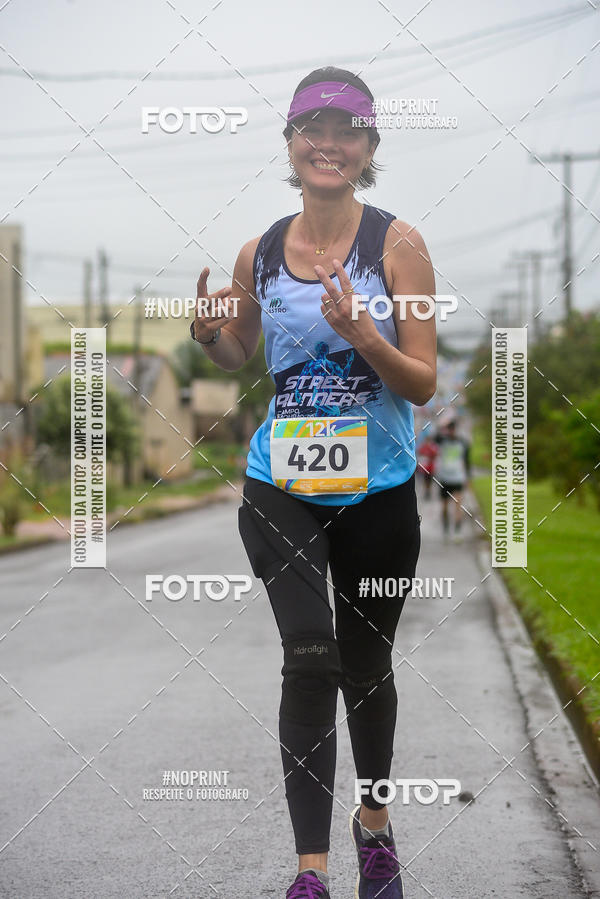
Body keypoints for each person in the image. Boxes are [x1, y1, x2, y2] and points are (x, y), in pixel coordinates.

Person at [190, 66, 436, 899]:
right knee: (311, 657)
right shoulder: (257, 252)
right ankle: (311, 872)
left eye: (348, 131)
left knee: (366, 664)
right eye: (313, 129)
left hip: (379, 490)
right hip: (280, 484)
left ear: (368, 148)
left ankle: (373, 826)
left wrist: (365, 335)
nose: (328, 143)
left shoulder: (398, 245)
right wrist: (209, 336)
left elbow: (422, 381)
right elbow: (238, 353)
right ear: (291, 144)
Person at [434, 417, 472, 541]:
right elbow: (435, 437)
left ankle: (457, 531)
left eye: (453, 430)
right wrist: (442, 426)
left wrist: (468, 478)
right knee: (444, 507)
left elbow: (467, 462)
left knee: (458, 506)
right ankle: (446, 529)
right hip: (444, 478)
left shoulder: (463, 443)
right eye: (449, 430)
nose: (451, 432)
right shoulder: (442, 440)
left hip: (458, 478)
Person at [416, 435, 438, 500]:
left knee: (430, 480)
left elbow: (435, 455)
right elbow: (419, 453)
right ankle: (427, 491)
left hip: (431, 467)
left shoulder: (433, 447)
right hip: (425, 468)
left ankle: (428, 490)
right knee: (426, 480)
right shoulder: (423, 447)